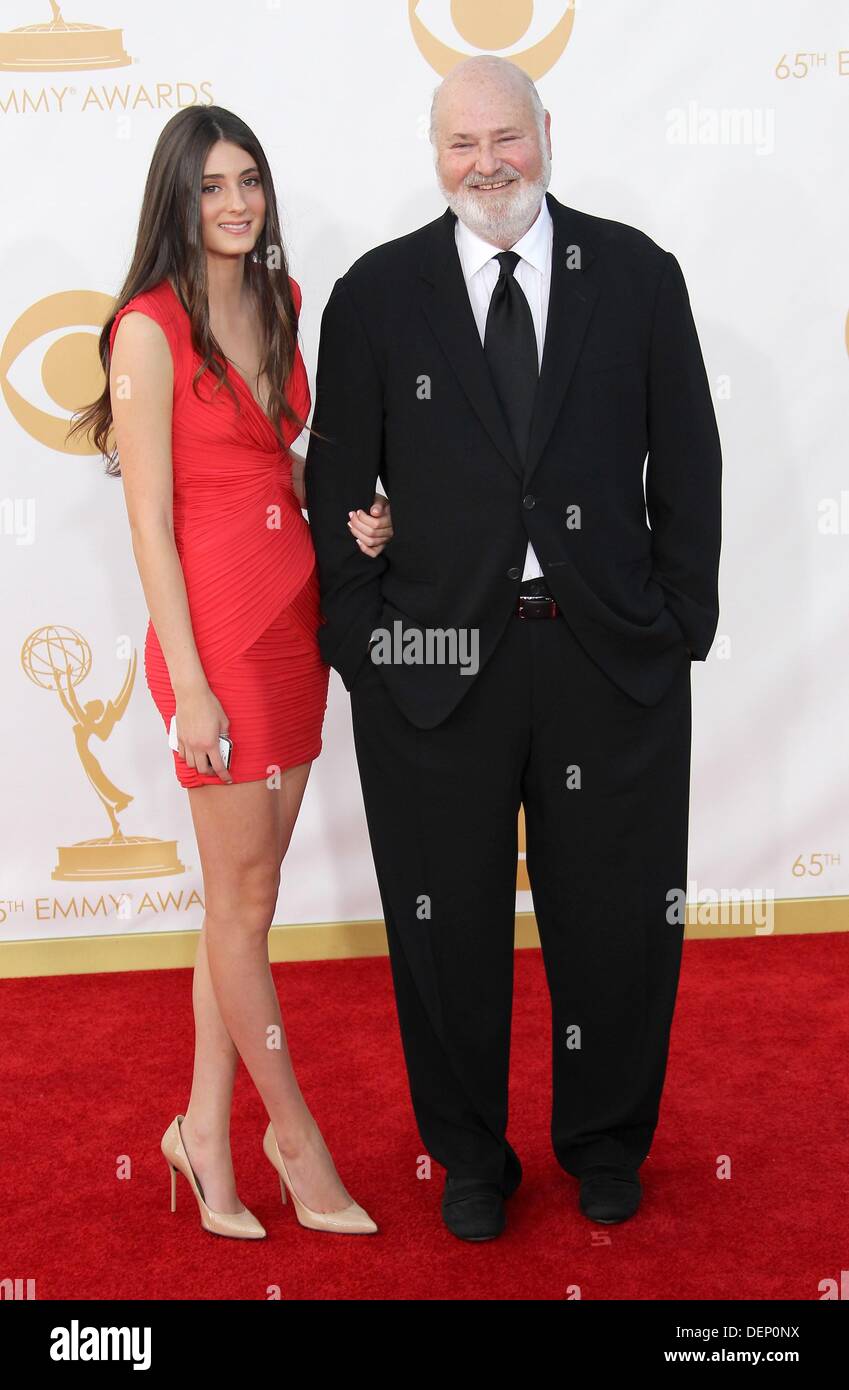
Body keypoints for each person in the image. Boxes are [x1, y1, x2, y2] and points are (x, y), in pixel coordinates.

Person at [306, 55, 721, 1241]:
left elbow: (689, 463)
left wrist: (679, 623)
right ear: (433, 157)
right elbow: (338, 487)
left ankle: (602, 1142)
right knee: (447, 927)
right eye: (460, 144)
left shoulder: (637, 275)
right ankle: (471, 1155)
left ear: (549, 133)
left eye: (507, 137)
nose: (487, 163)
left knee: (621, 915)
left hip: (607, 656)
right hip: (432, 664)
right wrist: (368, 647)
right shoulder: (376, 295)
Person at [69, 105, 391, 1239]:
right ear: (176, 198)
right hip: (213, 642)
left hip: (296, 619)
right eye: (210, 185)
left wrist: (341, 506)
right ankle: (289, 1135)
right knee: (244, 909)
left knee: (239, 909)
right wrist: (191, 685)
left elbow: (270, 449)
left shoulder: (280, 299)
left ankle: (200, 1129)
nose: (235, 202)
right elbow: (151, 521)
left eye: (247, 179)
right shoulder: (146, 331)